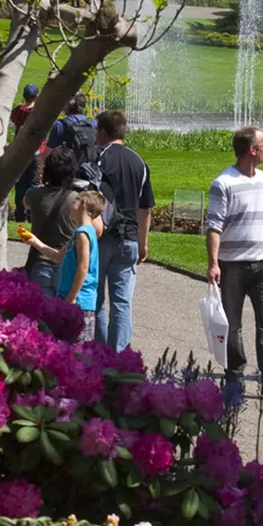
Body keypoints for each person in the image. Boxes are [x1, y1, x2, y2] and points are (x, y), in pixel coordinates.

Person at [205, 127, 263, 401]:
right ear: (251, 150)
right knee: (232, 325)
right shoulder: (224, 183)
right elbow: (214, 227)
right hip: (233, 265)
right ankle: (235, 380)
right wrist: (213, 263)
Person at [92, 110, 154, 351]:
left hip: (102, 236)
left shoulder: (98, 158)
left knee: (97, 300)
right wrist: (142, 242)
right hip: (129, 237)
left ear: (104, 132)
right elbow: (144, 208)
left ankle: (100, 353)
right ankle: (118, 357)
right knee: (122, 302)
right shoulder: (139, 161)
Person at [19, 147, 80, 294]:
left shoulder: (33, 195)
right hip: (67, 265)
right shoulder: (77, 199)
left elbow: (24, 203)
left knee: (41, 314)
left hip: (39, 263)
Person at [55, 191, 107, 330]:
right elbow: (58, 256)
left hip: (78, 301)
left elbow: (83, 268)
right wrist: (34, 241)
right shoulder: (86, 231)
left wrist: (71, 298)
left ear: (84, 204)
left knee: (75, 347)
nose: (72, 206)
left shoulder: (82, 234)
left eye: (74, 202)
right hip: (79, 300)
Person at [10, 83, 43, 209]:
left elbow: (14, 119)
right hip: (36, 150)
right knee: (34, 183)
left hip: (20, 150)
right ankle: (33, 212)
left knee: (20, 185)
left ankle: (20, 212)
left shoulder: (18, 111)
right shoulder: (39, 111)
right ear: (36, 96)